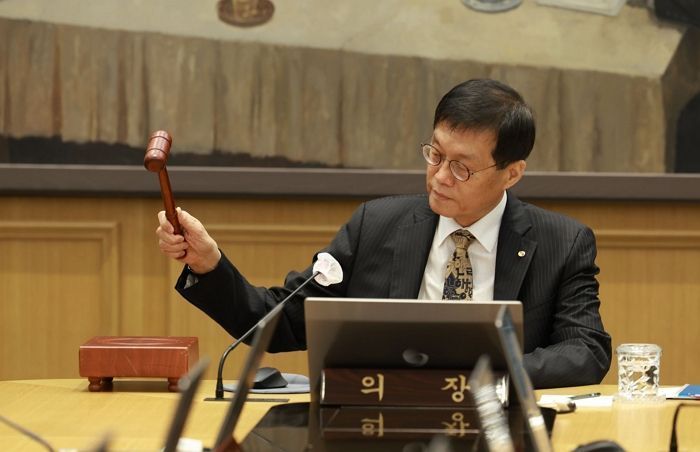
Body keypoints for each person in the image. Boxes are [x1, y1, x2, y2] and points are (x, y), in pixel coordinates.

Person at [156, 78, 612, 389]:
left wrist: (487, 373)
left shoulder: (561, 242)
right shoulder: (376, 225)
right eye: (435, 155)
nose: (439, 177)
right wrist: (210, 264)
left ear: (512, 173)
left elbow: (586, 350)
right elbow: (280, 325)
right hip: (380, 423)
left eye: (461, 168)